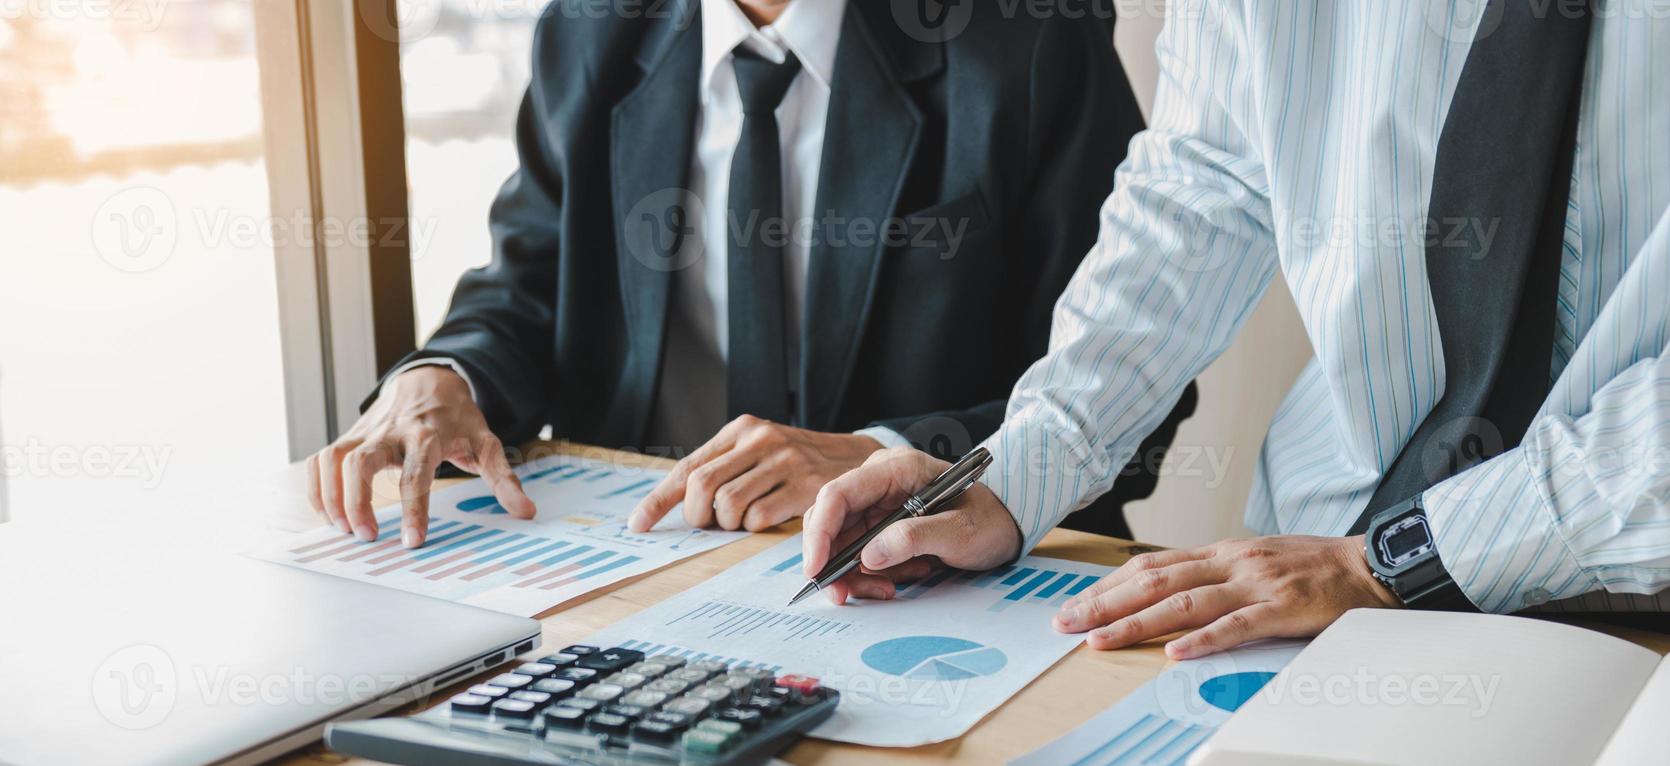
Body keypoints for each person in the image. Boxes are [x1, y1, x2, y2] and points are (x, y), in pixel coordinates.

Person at [803, 0, 1670, 658]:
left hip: (1628, 606)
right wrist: (1017, 469)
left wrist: (1396, 561)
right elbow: (1201, 182)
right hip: (1304, 579)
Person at [306, 0, 1196, 549]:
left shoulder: (1027, 37)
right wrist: (442, 375)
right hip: (642, 551)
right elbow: (530, 282)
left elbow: (1133, 388)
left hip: (927, 576)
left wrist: (896, 457)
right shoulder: (590, 29)